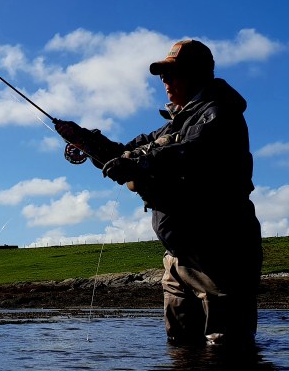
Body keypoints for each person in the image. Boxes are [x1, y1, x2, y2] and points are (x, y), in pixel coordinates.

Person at [54, 39, 262, 346]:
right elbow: (124, 152)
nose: (164, 81)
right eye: (162, 75)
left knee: (227, 356)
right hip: (177, 259)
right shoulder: (172, 126)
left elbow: (192, 153)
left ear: (198, 74)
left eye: (172, 74)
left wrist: (138, 165)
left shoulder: (220, 114)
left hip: (220, 255)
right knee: (181, 352)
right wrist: (84, 140)